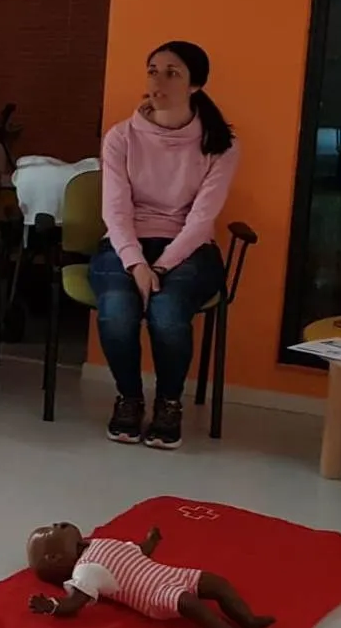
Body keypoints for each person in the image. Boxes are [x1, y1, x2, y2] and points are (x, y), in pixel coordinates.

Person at [92, 41, 238, 450]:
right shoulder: (121, 137)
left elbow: (201, 220)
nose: (158, 81)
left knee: (168, 311)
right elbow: (115, 211)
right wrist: (137, 262)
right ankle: (130, 397)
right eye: (153, 70)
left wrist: (159, 267)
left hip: (188, 248)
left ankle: (169, 402)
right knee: (118, 312)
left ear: (196, 85)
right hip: (125, 244)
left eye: (172, 73)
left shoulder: (219, 144)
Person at [26, 521, 274, 628]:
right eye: (52, 531)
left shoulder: (96, 542)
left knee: (217, 583)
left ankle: (247, 618)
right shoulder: (86, 570)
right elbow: (75, 603)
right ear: (55, 557)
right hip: (154, 594)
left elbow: (136, 552)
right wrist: (51, 605)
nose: (58, 524)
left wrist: (150, 542)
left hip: (170, 573)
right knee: (189, 603)